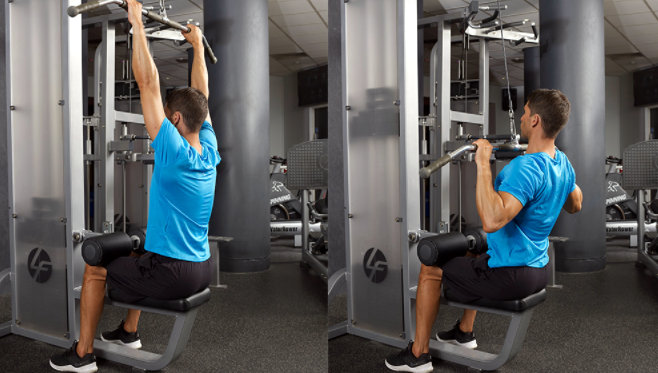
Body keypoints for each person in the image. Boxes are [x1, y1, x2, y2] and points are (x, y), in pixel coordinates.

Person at [49, 1, 220, 371]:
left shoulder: (173, 149)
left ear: (175, 119)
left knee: (95, 265)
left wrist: (136, 25)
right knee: (137, 253)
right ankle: (128, 330)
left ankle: (82, 355)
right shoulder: (208, 147)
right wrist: (196, 45)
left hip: (174, 273)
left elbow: (148, 83)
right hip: (202, 265)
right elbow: (201, 97)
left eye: (166, 116)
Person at [385, 89, 583, 372]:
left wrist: (482, 165)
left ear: (536, 120)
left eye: (525, 114)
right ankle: (464, 333)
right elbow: (575, 204)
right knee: (475, 252)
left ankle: (418, 354)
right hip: (537, 269)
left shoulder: (525, 168)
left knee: (430, 267)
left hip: (511, 274)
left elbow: (492, 220)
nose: (522, 119)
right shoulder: (562, 162)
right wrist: (558, 185)